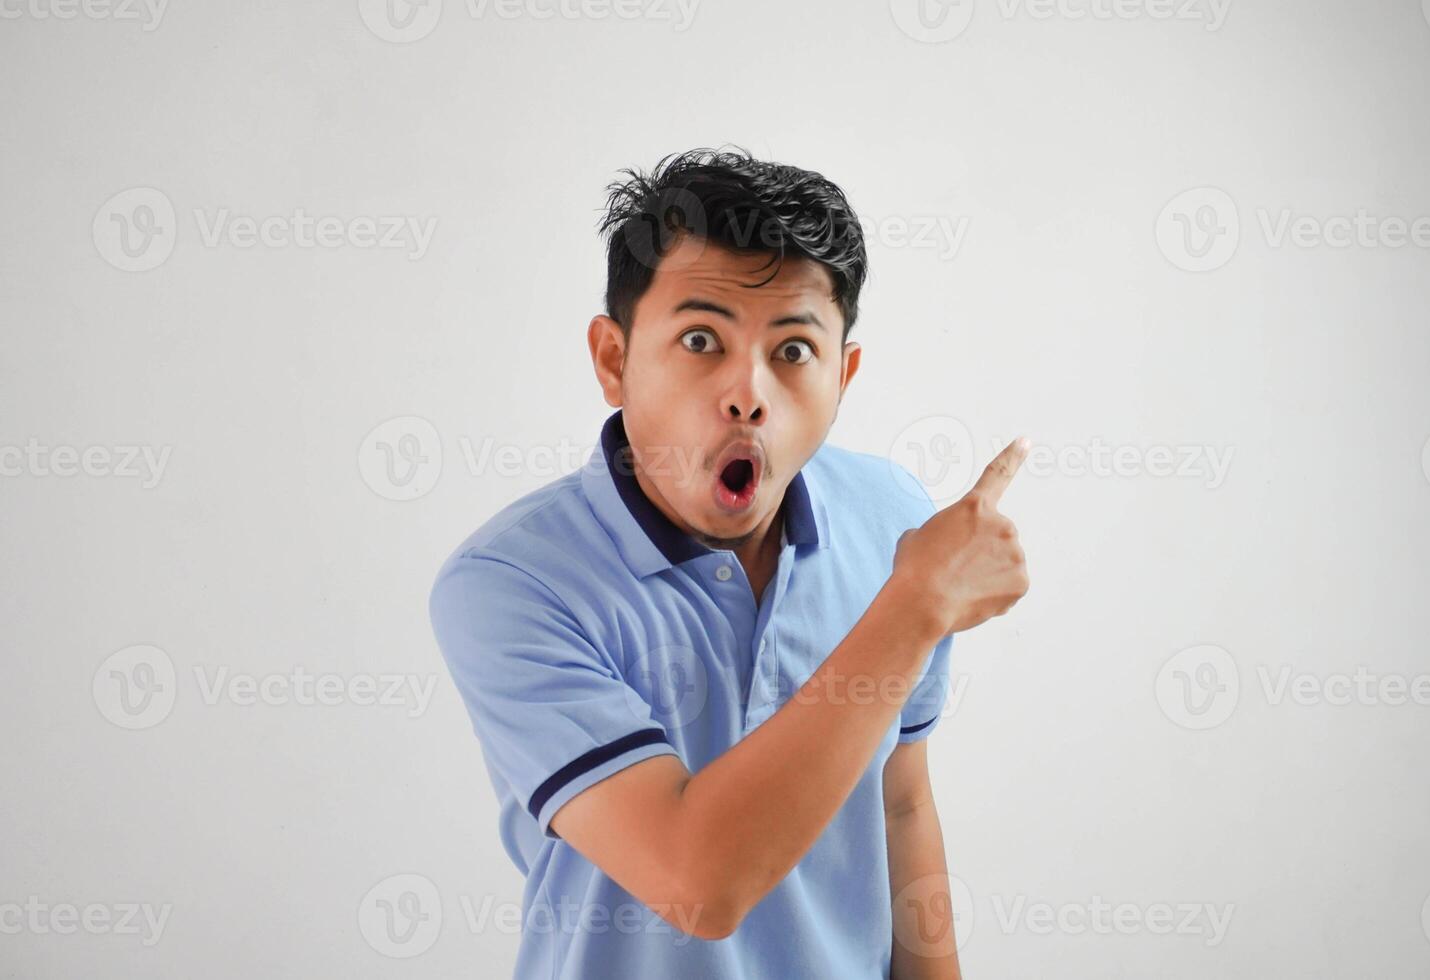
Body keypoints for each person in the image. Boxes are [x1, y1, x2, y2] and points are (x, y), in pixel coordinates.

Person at [429, 146, 1029, 979]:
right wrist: (914, 606)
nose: (748, 392)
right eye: (702, 338)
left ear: (844, 376)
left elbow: (900, 803)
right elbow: (695, 881)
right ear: (613, 360)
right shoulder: (511, 584)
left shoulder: (892, 521)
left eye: (793, 351)